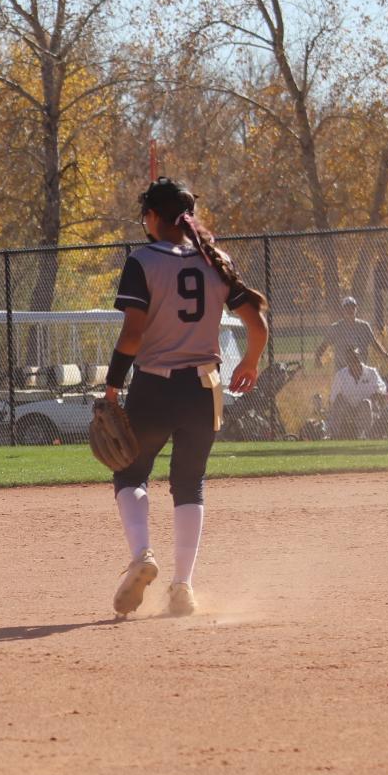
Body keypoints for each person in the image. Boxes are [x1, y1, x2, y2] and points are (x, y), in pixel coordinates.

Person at [103, 177, 270, 619]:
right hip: (203, 390)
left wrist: (113, 383)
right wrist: (249, 363)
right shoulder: (216, 260)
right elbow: (258, 326)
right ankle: (183, 588)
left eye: (146, 216)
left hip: (154, 386)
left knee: (131, 473)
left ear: (154, 218)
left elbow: (134, 333)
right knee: (189, 484)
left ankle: (143, 556)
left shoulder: (142, 261)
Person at [321, 296, 388, 375]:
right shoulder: (336, 328)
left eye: (352, 307)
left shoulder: (364, 326)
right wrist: (318, 357)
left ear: (356, 308)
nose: (350, 310)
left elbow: (374, 343)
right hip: (342, 370)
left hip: (360, 370)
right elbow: (325, 344)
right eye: (347, 308)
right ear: (343, 310)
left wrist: (386, 356)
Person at [326, 348, 387, 439]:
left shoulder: (371, 372)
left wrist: (376, 394)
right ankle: (335, 435)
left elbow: (382, 387)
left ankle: (365, 435)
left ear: (360, 359)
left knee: (366, 403)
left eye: (356, 358)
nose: (354, 361)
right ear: (348, 361)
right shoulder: (340, 375)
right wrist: (338, 400)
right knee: (339, 402)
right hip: (348, 408)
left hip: (366, 406)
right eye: (351, 359)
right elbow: (333, 398)